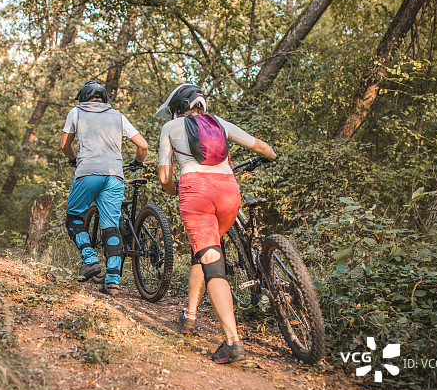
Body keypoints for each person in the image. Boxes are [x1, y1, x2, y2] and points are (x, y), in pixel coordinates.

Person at [155, 84, 277, 363]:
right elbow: (261, 147)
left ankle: (232, 342)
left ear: (176, 109)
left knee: (212, 261)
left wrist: (175, 190)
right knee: (205, 253)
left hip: (196, 193)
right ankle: (190, 315)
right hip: (229, 192)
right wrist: (273, 155)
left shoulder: (170, 128)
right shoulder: (219, 123)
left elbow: (164, 178)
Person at [61, 80, 148, 295]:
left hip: (88, 173)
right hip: (114, 176)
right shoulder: (118, 116)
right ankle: (112, 281)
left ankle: (90, 259)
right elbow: (143, 145)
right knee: (111, 227)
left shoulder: (76, 112)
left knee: (73, 218)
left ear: (84, 97)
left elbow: (65, 145)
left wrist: (73, 159)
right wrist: (137, 162)